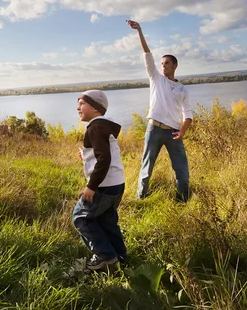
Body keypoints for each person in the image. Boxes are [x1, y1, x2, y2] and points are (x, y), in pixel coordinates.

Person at [127, 20, 193, 202]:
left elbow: (188, 114)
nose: (163, 66)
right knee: (146, 168)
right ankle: (140, 199)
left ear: (175, 66)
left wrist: (182, 131)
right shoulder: (156, 78)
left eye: (166, 63)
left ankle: (182, 201)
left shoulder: (182, 89)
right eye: (161, 63)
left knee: (182, 170)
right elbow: (147, 54)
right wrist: (139, 30)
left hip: (173, 133)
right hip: (154, 129)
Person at [73, 90, 127, 271]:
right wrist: (86, 154)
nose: (78, 107)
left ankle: (105, 257)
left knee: (81, 217)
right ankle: (120, 256)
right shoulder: (104, 126)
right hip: (116, 184)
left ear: (96, 108)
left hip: (103, 186)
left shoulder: (95, 128)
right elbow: (103, 153)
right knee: (107, 220)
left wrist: (91, 186)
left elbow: (104, 159)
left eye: (82, 104)